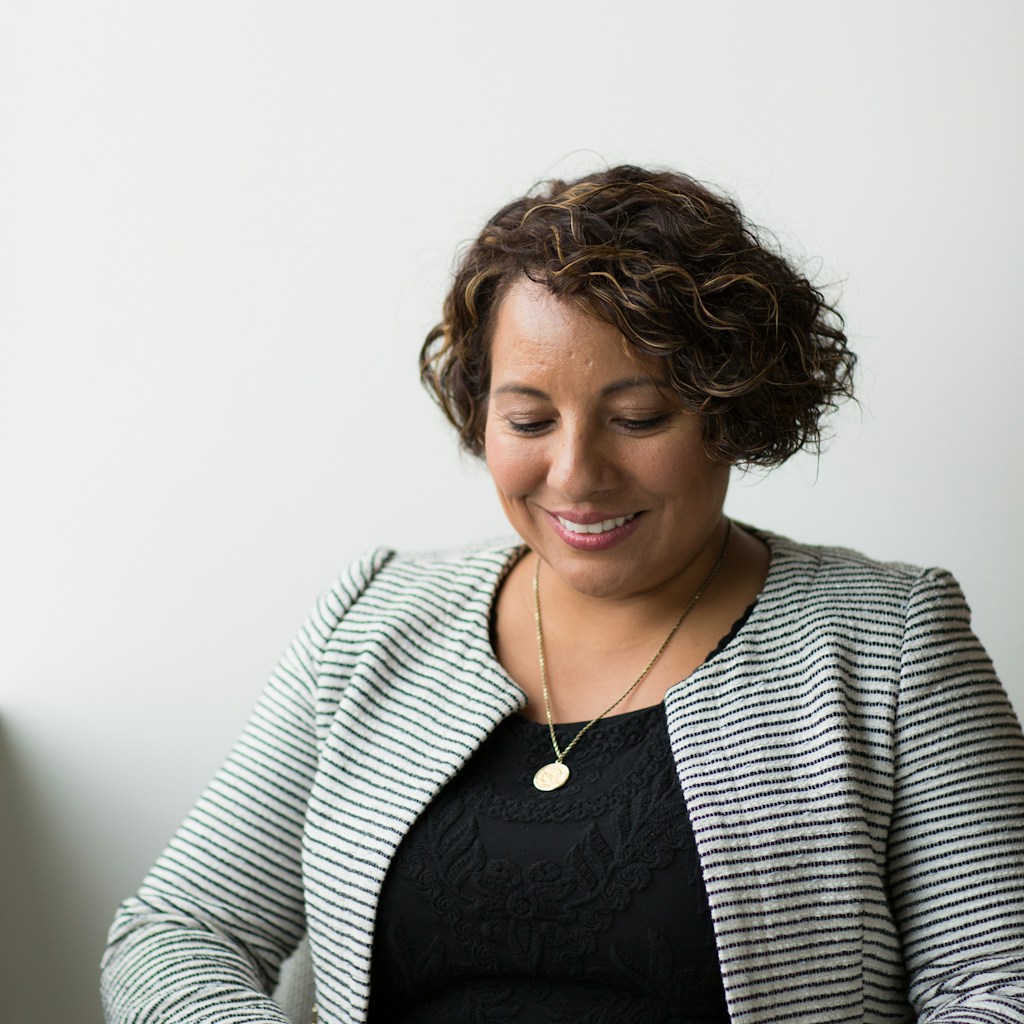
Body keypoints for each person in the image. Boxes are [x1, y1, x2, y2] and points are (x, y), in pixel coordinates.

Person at [101, 166, 1024, 1023]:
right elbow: (178, 932)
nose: (575, 474)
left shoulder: (889, 640)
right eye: (529, 419)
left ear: (733, 412)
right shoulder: (375, 618)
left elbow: (999, 984)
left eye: (638, 418)